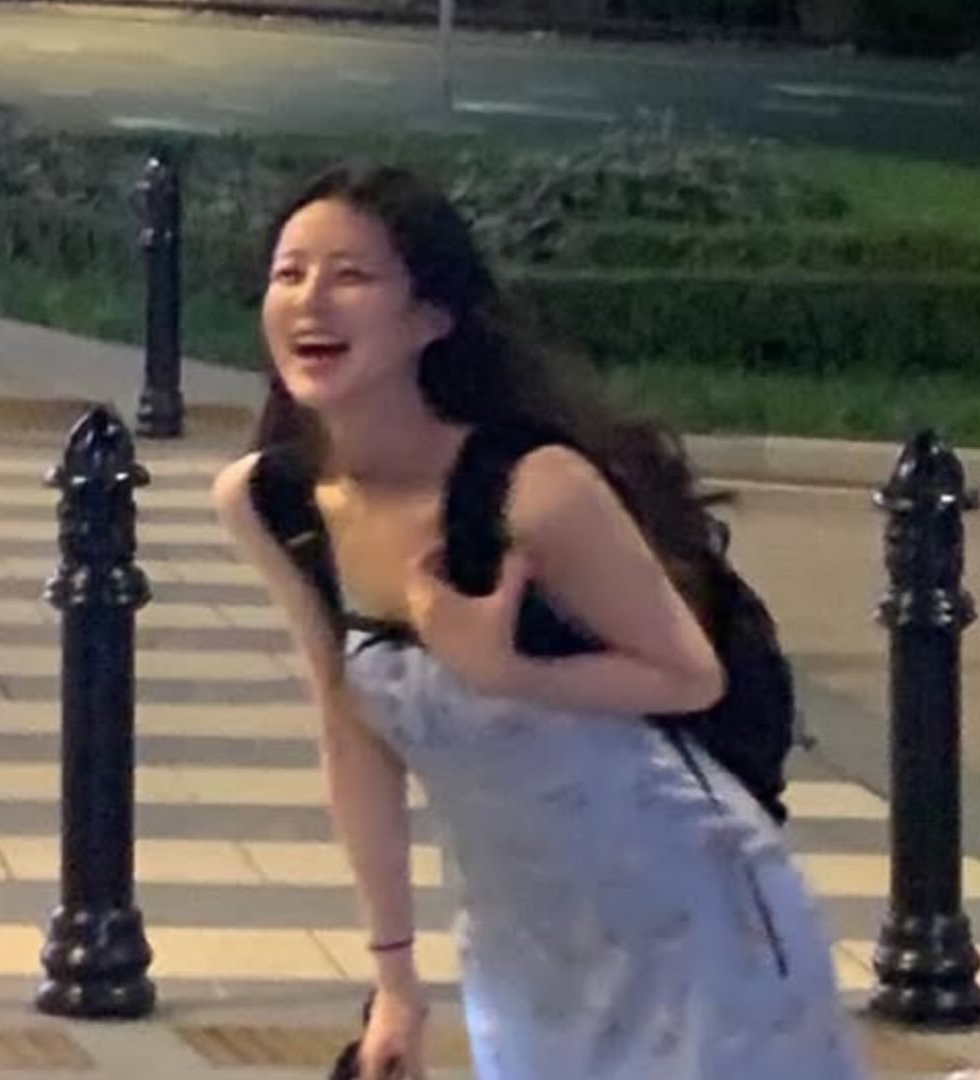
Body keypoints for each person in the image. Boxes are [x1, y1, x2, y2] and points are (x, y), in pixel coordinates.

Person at [212, 163, 866, 1080]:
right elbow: (348, 730)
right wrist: (394, 980)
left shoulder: (534, 489)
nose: (311, 300)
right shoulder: (273, 502)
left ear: (430, 317)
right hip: (522, 952)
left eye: (350, 275)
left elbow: (690, 674)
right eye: (289, 274)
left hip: (695, 920)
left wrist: (508, 670)